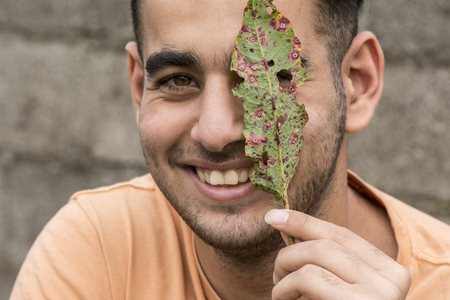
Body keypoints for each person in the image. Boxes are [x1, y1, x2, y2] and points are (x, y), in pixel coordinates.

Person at [10, 0, 450, 299]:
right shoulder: (100, 250)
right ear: (140, 87)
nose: (216, 132)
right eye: (178, 80)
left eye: (268, 79)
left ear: (358, 84)